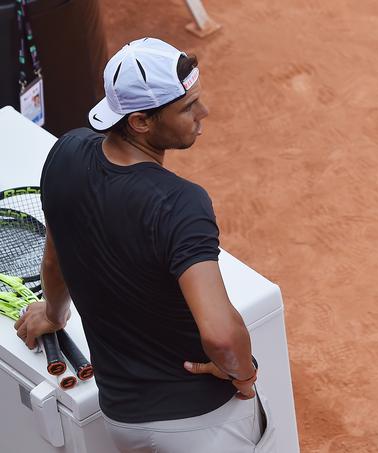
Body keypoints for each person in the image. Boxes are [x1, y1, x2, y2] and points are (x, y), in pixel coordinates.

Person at [14, 37, 266, 452]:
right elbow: (222, 336)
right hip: (204, 426)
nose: (203, 114)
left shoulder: (67, 152)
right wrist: (243, 374)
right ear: (140, 122)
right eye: (187, 108)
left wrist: (55, 315)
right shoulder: (181, 203)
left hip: (123, 423)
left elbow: (57, 261)